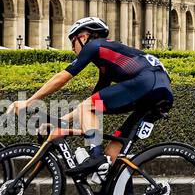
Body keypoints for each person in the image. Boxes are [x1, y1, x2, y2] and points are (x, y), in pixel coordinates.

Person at [3, 17, 174, 179]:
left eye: (73, 42)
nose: (72, 49)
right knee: (114, 149)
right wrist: (61, 122)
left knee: (89, 110)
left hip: (146, 83)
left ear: (83, 37)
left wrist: (28, 101)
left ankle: (95, 156)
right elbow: (94, 104)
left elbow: (63, 77)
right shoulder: (107, 65)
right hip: (163, 92)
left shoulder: (94, 46)